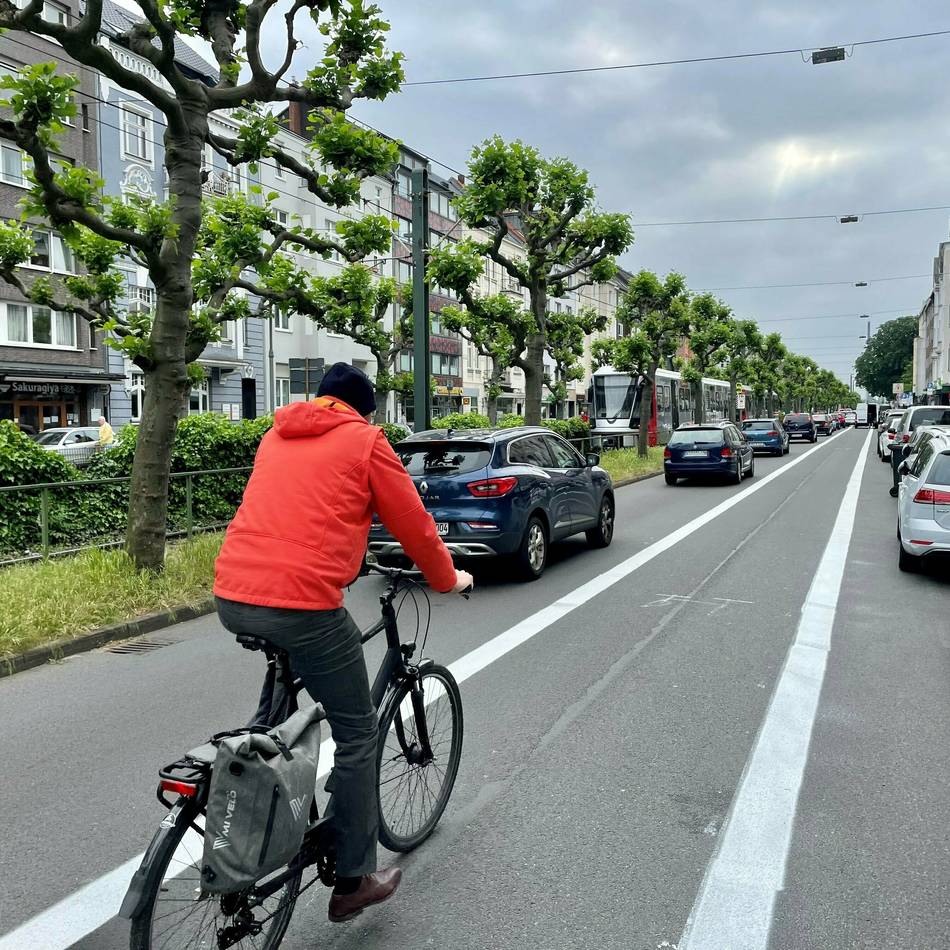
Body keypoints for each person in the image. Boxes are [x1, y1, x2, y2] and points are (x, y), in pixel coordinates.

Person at [213, 362, 473, 924]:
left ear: (320, 400)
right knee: (357, 732)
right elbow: (412, 522)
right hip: (300, 601)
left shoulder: (277, 434)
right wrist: (448, 578)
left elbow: (299, 511)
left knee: (291, 696)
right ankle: (353, 880)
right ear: (365, 410)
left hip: (232, 593)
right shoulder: (366, 440)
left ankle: (254, 781)